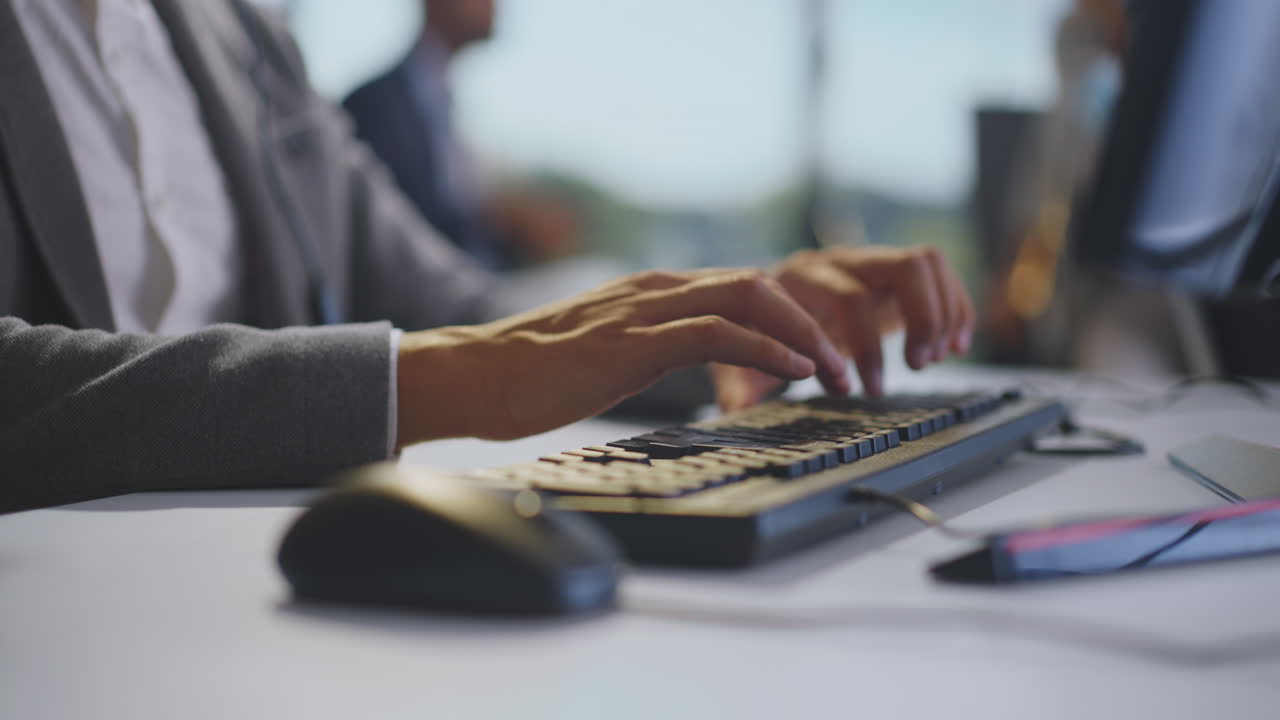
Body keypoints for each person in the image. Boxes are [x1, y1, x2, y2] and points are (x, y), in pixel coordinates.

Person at [0, 0, 973, 514]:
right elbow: (470, 353)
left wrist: (722, 322)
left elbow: (460, 306)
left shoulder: (245, 38)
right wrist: (452, 379)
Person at [344, 0, 576, 269]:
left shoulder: (441, 100)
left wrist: (514, 226)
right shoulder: (376, 104)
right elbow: (394, 229)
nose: (495, 5)